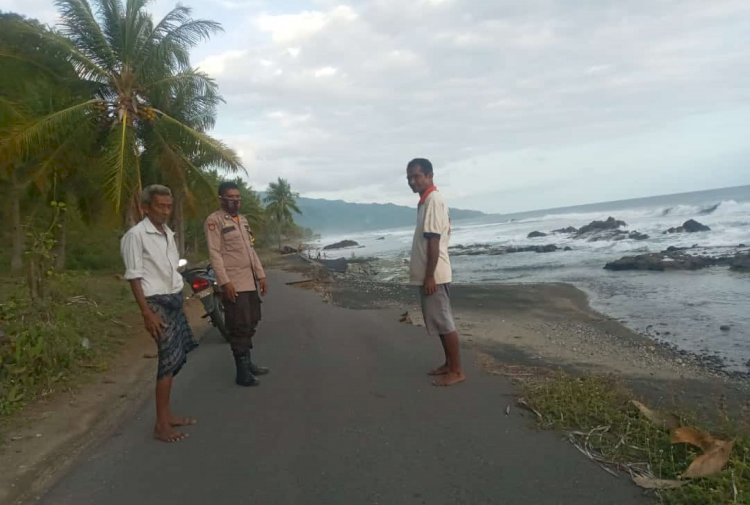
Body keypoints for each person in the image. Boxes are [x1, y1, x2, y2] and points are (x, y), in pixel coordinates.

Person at [121, 184, 199, 442]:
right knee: (167, 360)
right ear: (145, 208)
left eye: (168, 206)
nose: (166, 211)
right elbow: (134, 276)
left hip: (173, 300)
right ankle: (160, 426)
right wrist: (146, 313)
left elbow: (170, 269)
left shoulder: (168, 233)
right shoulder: (136, 236)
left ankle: (167, 416)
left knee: (174, 360)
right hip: (155, 303)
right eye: (160, 206)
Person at [406, 158, 466, 386]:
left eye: (416, 176)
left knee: (444, 321)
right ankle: (449, 364)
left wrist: (429, 275)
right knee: (440, 322)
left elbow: (433, 239)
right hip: (431, 273)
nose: (412, 181)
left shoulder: (433, 199)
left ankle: (457, 370)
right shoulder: (425, 201)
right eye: (409, 178)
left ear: (429, 176)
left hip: (436, 274)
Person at [204, 181, 269, 386]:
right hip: (234, 282)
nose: (235, 201)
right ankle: (242, 373)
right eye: (230, 197)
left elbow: (250, 250)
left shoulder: (243, 220)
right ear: (221, 199)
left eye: (237, 197)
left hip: (249, 281)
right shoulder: (214, 221)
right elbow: (215, 254)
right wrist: (225, 282)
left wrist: (261, 275)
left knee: (251, 321)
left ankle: (248, 363)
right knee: (239, 325)